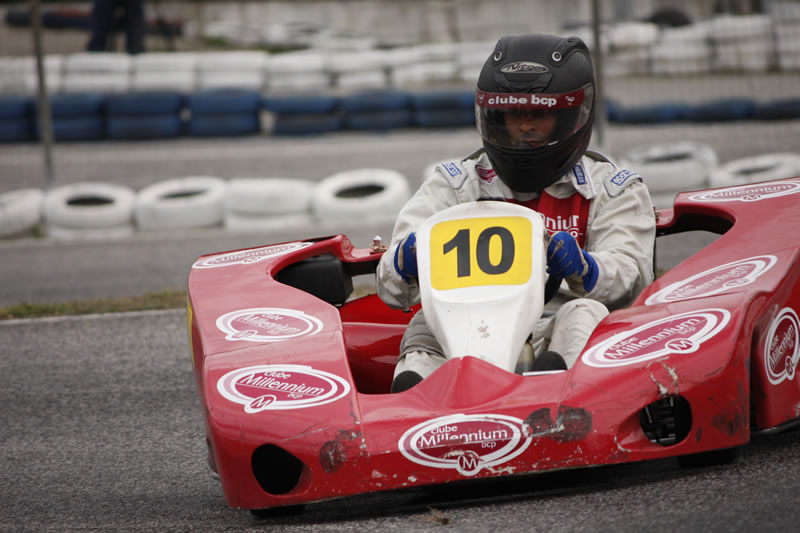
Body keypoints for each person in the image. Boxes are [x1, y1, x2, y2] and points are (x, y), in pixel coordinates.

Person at [376, 33, 656, 393]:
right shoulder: (456, 185)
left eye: (539, 114)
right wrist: (407, 258)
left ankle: (561, 397)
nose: (525, 127)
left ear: (571, 116)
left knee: (586, 313)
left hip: (554, 331)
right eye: (513, 114)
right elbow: (391, 289)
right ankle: (415, 408)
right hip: (466, 335)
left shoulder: (611, 188)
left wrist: (584, 268)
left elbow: (633, 278)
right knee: (424, 324)